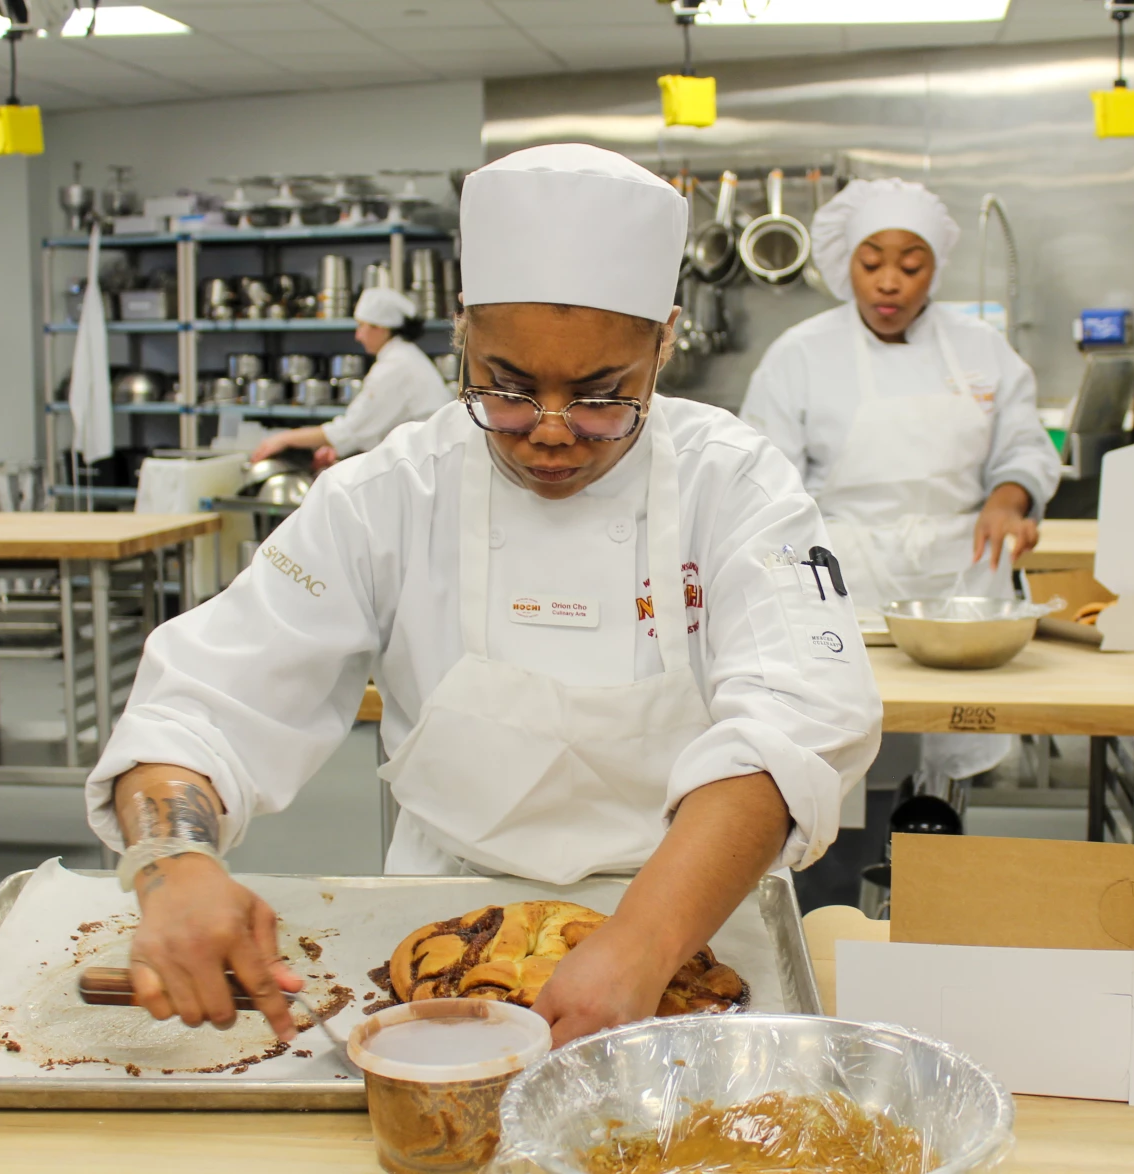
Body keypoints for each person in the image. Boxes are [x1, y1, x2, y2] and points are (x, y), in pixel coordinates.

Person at [85, 144, 882, 1050]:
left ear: (663, 341)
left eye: (600, 398)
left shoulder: (734, 484)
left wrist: (643, 939)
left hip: (690, 926)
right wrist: (171, 860)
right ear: (462, 331)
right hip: (444, 921)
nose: (549, 435)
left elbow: (799, 718)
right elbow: (206, 701)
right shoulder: (390, 492)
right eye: (504, 390)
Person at [740, 177, 1060, 793]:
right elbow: (766, 481)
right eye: (872, 262)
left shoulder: (981, 348)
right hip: (843, 589)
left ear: (934, 270)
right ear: (846, 264)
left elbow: (1023, 443)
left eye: (911, 266)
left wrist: (1009, 496)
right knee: (854, 773)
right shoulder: (800, 354)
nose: (890, 282)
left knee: (958, 773)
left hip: (963, 589)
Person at [249, 287, 450, 470]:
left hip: (427, 467)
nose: (358, 336)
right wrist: (340, 449)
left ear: (381, 327)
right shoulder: (403, 357)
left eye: (361, 326)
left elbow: (350, 430)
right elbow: (372, 430)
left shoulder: (395, 367)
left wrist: (284, 438)